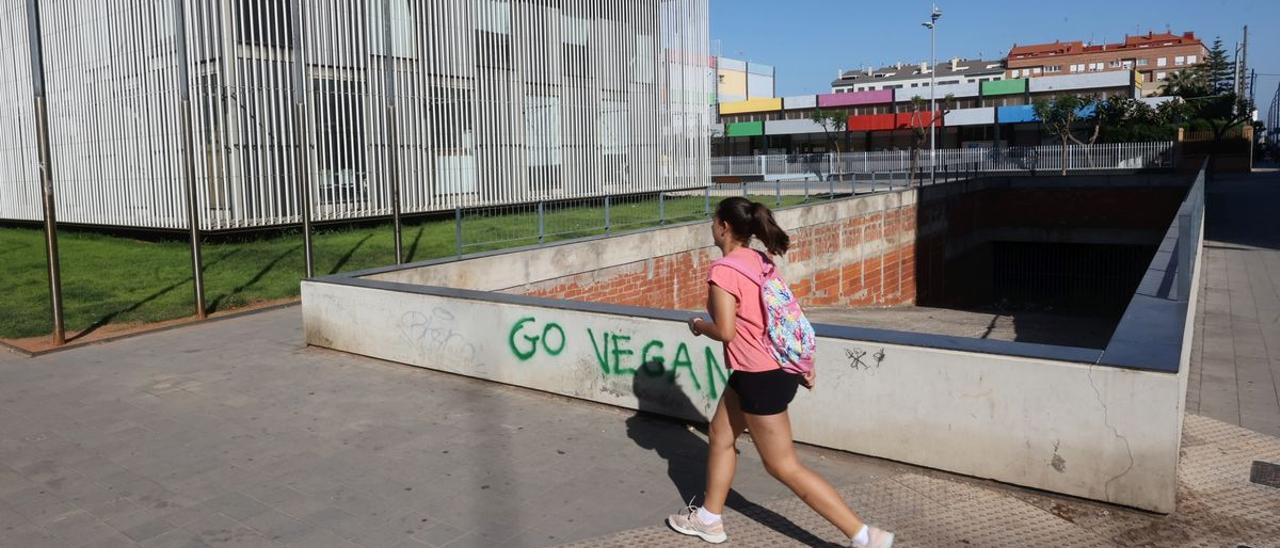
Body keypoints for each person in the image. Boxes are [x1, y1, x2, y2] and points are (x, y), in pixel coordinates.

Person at [666, 197, 895, 547]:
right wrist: (802, 361)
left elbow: (726, 330)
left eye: (714, 221)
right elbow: (786, 315)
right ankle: (710, 518)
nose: (711, 226)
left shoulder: (725, 270)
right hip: (764, 369)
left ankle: (864, 535)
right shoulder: (759, 261)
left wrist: (698, 324)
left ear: (724, 227)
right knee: (720, 434)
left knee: (782, 465)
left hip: (761, 375)